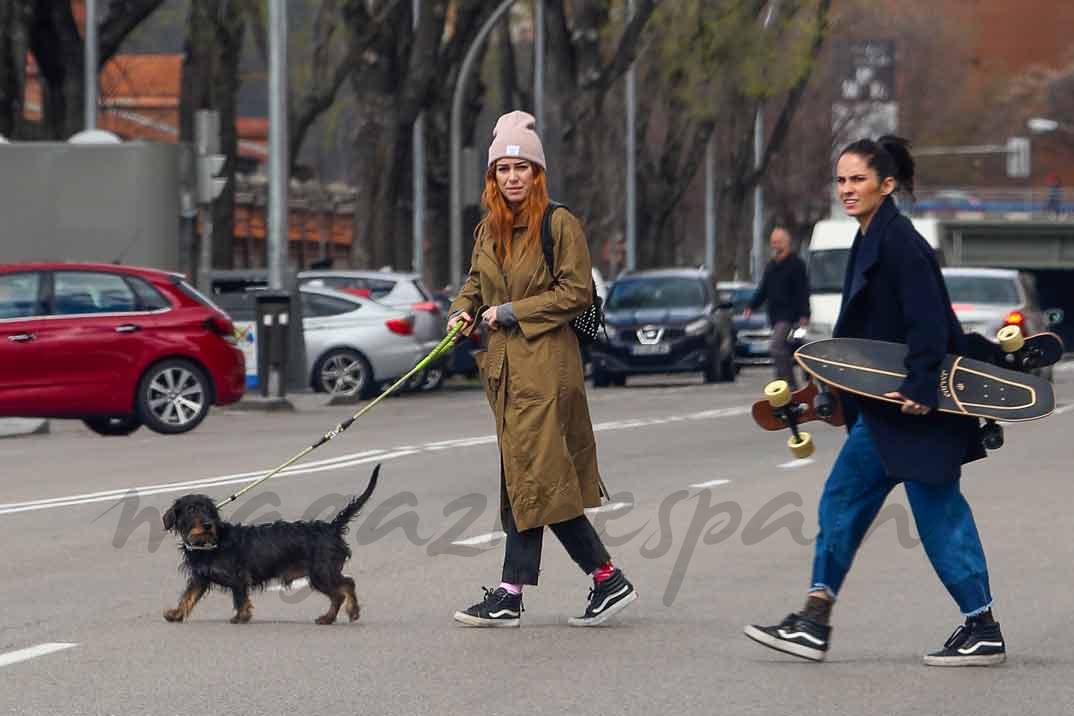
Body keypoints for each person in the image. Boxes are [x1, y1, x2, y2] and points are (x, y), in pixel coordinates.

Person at [743, 136, 1005, 666]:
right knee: (873, 504)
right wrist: (833, 388)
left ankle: (977, 626)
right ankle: (819, 619)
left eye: (857, 179)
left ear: (886, 185)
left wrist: (920, 385)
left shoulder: (901, 243)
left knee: (928, 511)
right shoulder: (870, 238)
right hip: (887, 409)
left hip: (912, 408)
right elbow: (863, 336)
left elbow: (929, 320)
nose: (847, 189)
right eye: (840, 180)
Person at [446, 110, 637, 628]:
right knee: (528, 476)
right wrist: (462, 310)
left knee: (536, 476)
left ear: (537, 173)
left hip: (549, 368)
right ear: (492, 177)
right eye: (502, 169)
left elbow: (576, 293)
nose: (512, 177)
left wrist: (512, 312)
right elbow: (474, 282)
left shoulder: (559, 223)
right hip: (506, 371)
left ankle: (551, 584)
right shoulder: (487, 229)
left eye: (521, 167)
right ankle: (593, 580)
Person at [744, 226, 811, 389]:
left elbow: (803, 290)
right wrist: (751, 306)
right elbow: (763, 289)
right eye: (773, 242)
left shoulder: (796, 265)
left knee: (776, 346)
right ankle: (781, 381)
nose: (776, 246)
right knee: (785, 349)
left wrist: (804, 313)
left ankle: (790, 383)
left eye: (779, 242)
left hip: (789, 315)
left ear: (787, 243)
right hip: (775, 315)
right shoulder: (771, 266)